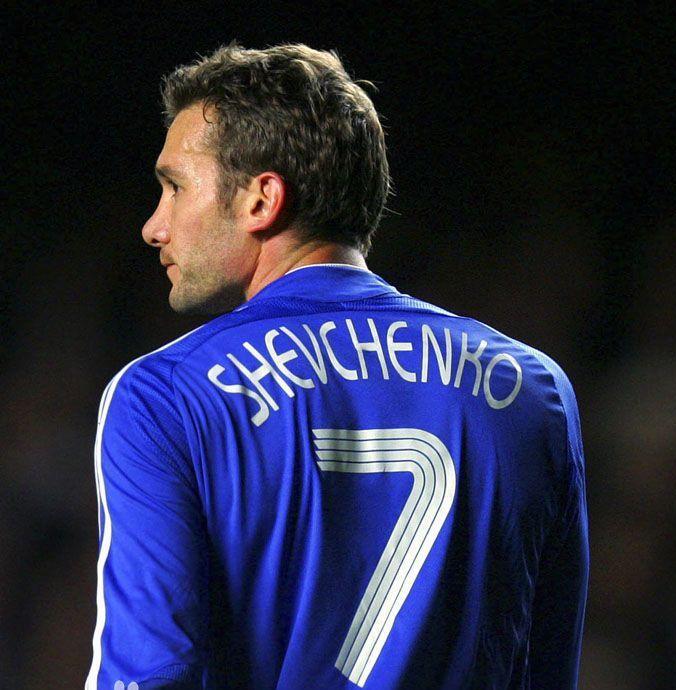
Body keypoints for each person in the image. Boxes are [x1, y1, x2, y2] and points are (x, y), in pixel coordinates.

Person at [84, 43, 588, 690]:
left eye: (175, 187)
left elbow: (150, 676)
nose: (154, 226)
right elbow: (546, 668)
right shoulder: (534, 392)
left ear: (261, 200)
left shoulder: (166, 397)